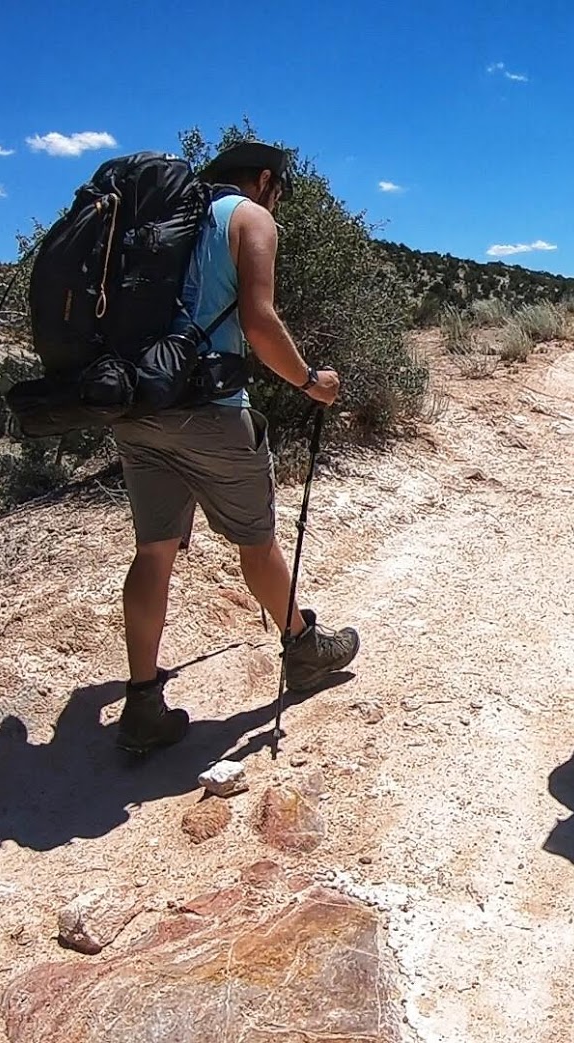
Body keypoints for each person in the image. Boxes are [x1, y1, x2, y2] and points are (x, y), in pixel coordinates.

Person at [109, 141, 360, 753]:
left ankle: (141, 702)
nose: (278, 201)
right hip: (210, 410)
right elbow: (259, 321)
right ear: (266, 179)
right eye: (279, 190)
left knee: (154, 549)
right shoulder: (248, 217)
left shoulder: (155, 221)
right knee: (256, 541)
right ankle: (304, 648)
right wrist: (311, 383)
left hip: (136, 404)